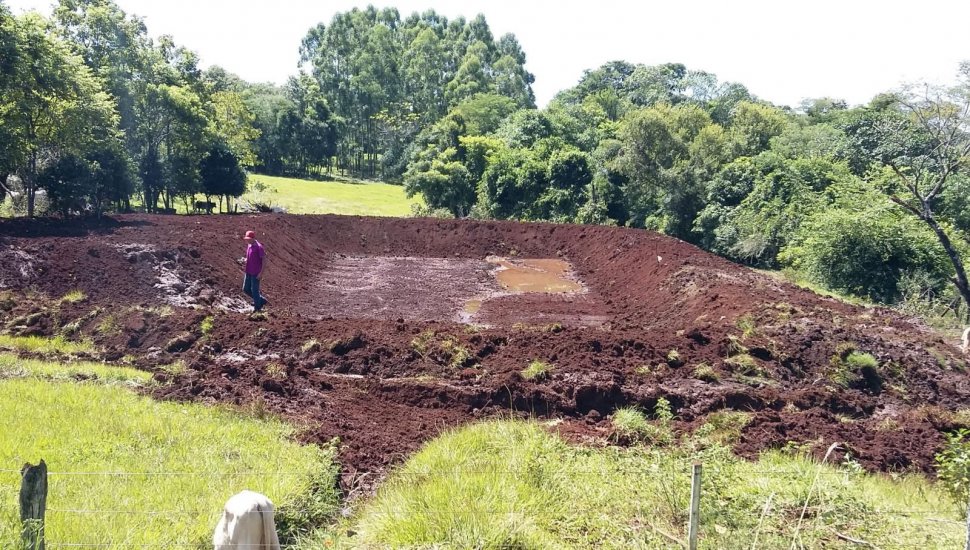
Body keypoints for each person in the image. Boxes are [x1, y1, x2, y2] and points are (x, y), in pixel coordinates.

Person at [242, 230, 268, 312]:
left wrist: (261, 273)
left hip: (256, 272)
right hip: (248, 271)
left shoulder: (259, 247)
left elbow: (264, 260)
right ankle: (261, 300)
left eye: (249, 239)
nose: (247, 240)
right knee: (246, 289)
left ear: (253, 238)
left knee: (254, 290)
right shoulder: (249, 245)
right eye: (246, 239)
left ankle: (257, 308)